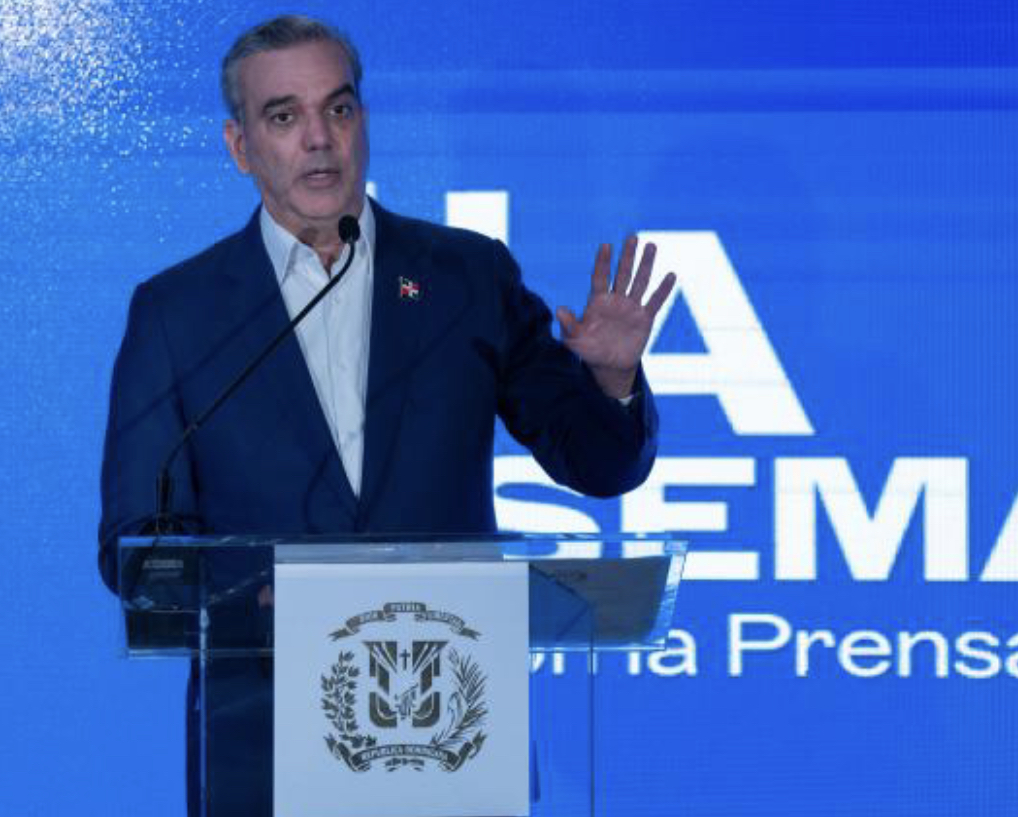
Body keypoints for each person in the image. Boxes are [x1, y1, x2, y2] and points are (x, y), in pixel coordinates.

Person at [99, 14, 675, 817]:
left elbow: (598, 463)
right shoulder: (178, 313)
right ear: (240, 146)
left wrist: (612, 380)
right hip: (261, 748)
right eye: (283, 116)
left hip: (457, 734)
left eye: (337, 109)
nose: (318, 140)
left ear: (363, 121)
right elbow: (137, 550)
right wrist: (267, 593)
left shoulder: (467, 277)